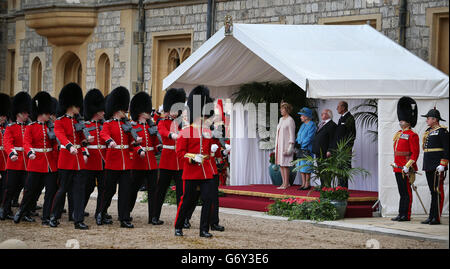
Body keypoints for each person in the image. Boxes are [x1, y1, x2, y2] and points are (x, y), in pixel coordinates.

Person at [174, 85, 216, 238]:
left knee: (208, 200)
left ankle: (204, 230)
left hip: (206, 173)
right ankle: (178, 226)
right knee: (187, 201)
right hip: (191, 172)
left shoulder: (207, 131)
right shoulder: (185, 132)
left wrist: (214, 151)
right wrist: (192, 158)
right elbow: (179, 154)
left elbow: (209, 152)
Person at [49, 83, 91, 230]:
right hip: (66, 160)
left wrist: (85, 142)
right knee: (62, 190)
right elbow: (60, 136)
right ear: (70, 105)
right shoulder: (60, 121)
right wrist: (69, 146)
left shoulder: (78, 121)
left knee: (79, 191)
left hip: (78, 160)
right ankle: (54, 216)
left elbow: (80, 139)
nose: (79, 108)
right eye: (77, 105)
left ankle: (78, 220)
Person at [13, 91, 58, 225]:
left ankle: (46, 218)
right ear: (41, 114)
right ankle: (21, 211)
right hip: (36, 162)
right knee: (30, 190)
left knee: (50, 191)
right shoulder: (31, 127)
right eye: (48, 113)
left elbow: (55, 144)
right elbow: (26, 143)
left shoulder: (50, 127)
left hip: (50, 163)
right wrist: (30, 152)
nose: (50, 116)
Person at [99, 86, 140, 228]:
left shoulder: (126, 125)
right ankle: (101, 213)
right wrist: (110, 141)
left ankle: (124, 218)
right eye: (124, 109)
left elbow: (129, 142)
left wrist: (135, 141)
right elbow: (103, 134)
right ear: (117, 110)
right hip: (113, 161)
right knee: (109, 191)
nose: (126, 112)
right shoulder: (108, 124)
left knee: (125, 191)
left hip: (125, 163)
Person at [154, 88, 186, 226]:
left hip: (179, 161)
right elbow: (162, 131)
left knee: (181, 193)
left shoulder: (182, 122)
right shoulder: (163, 121)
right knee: (161, 191)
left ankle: (183, 219)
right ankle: (154, 216)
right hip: (167, 161)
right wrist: (171, 135)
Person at [128, 91, 159, 224]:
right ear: (140, 112)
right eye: (146, 111)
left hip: (151, 161)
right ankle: (126, 212)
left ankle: (153, 217)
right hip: (138, 162)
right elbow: (131, 143)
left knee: (153, 191)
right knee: (133, 189)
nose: (149, 113)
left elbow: (155, 143)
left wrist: (159, 145)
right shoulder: (133, 126)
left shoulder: (150, 126)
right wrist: (138, 149)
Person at [0, 92, 32, 221]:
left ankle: (23, 212)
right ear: (18, 113)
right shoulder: (11, 128)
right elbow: (7, 142)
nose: (27, 115)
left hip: (27, 162)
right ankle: (4, 209)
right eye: (24, 113)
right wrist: (12, 152)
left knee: (28, 189)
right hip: (14, 162)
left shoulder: (29, 127)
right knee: (10, 188)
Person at [82, 89, 112, 225]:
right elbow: (80, 142)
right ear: (96, 111)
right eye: (101, 110)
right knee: (87, 188)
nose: (104, 113)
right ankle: (79, 210)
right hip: (90, 162)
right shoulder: (85, 126)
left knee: (104, 189)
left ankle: (100, 213)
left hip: (103, 161)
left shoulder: (104, 126)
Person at [391, 97, 420, 222]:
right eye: (400, 120)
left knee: (407, 192)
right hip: (398, 167)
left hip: (406, 168)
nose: (400, 122)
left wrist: (408, 165)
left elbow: (415, 153)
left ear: (408, 121)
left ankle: (406, 214)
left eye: (403, 120)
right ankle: (400, 213)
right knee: (402, 192)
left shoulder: (413, 135)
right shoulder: (399, 133)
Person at [420, 107, 448, 225]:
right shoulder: (428, 131)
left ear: (435, 119)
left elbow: (447, 149)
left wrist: (443, 163)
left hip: (437, 165)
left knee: (437, 191)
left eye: (428, 118)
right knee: (432, 192)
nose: (426, 120)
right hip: (429, 165)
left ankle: (436, 217)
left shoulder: (442, 131)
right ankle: (431, 216)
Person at [331, 101, 356, 188]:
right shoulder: (341, 118)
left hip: (345, 149)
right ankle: (340, 187)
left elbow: (352, 135)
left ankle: (343, 188)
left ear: (343, 107)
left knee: (344, 169)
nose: (337, 108)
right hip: (339, 149)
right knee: (339, 169)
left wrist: (347, 149)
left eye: (338, 106)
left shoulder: (349, 118)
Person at [274, 102, 295, 190]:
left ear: (287, 110)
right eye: (281, 109)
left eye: (283, 109)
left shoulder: (290, 120)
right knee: (281, 164)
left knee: (285, 164)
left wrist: (290, 146)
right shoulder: (281, 119)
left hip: (286, 145)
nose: (281, 110)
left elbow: (292, 134)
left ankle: (286, 183)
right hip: (279, 144)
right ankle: (284, 182)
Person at [296, 107, 317, 190]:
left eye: (301, 115)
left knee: (307, 166)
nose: (300, 117)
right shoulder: (302, 125)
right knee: (301, 166)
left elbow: (310, 137)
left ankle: (307, 184)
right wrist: (297, 142)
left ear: (306, 116)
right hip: (301, 148)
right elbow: (299, 136)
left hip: (307, 148)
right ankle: (303, 183)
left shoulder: (312, 124)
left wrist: (302, 144)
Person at [0, 93, 11, 206]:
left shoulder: (5, 128)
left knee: (5, 185)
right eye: (2, 116)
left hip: (5, 160)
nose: (4, 118)